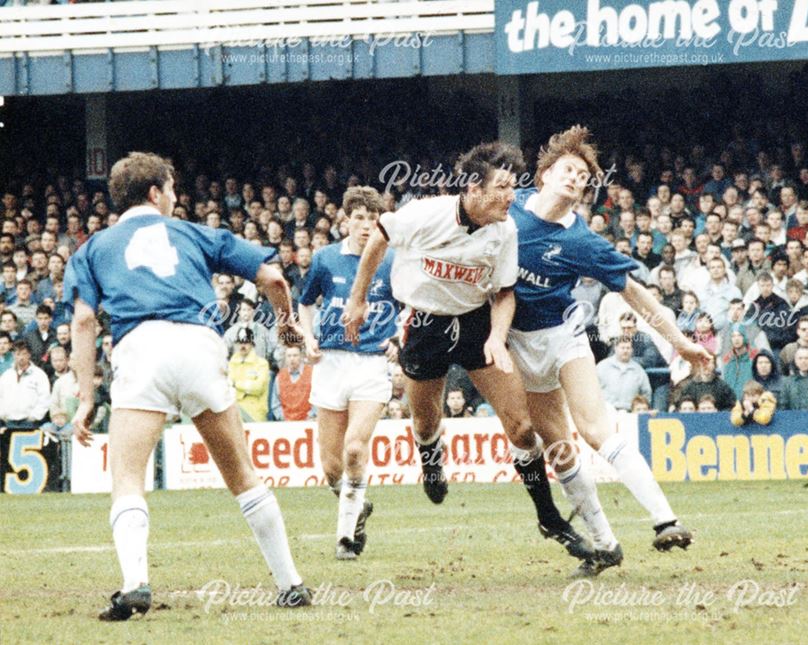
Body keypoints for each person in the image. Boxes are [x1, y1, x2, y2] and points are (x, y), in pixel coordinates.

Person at [64, 152, 310, 620]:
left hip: (142, 349)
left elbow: (82, 320)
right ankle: (290, 584)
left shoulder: (93, 248)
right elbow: (274, 277)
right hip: (200, 345)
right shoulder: (193, 232)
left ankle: (135, 583)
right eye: (173, 190)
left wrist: (86, 398)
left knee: (128, 480)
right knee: (242, 477)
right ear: (156, 193)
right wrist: (288, 327)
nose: (176, 198)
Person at [342, 142, 593, 565]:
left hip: (477, 323)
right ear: (474, 188)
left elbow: (506, 291)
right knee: (425, 420)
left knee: (521, 426)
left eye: (514, 186)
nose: (512, 196)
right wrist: (358, 298)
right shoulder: (427, 213)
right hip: (423, 323)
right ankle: (431, 457)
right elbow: (380, 238)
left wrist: (497, 336)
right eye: (502, 187)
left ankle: (549, 516)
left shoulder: (504, 230)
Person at [504, 127, 713, 575]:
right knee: (559, 450)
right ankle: (605, 544)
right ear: (544, 174)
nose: (575, 178)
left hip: (563, 338)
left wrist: (678, 341)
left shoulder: (580, 242)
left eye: (582, 176)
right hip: (517, 345)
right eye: (568, 169)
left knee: (597, 429)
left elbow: (635, 293)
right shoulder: (508, 207)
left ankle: (666, 519)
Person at [298, 186, 397, 560]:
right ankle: (357, 505)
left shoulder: (390, 261)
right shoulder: (325, 260)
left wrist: (398, 338)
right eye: (359, 218)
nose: (367, 226)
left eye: (374, 220)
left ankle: (345, 539)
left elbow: (412, 305)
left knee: (356, 448)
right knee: (331, 466)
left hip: (371, 363)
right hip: (330, 363)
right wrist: (307, 337)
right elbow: (305, 305)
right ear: (346, 220)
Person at [0, 339, 50, 428]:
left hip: (30, 422)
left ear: (29, 355)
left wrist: (34, 416)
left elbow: (45, 398)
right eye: (18, 354)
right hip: (9, 422)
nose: (21, 357)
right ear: (13, 355)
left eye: (24, 354)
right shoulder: (6, 375)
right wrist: (3, 414)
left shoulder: (39, 375)